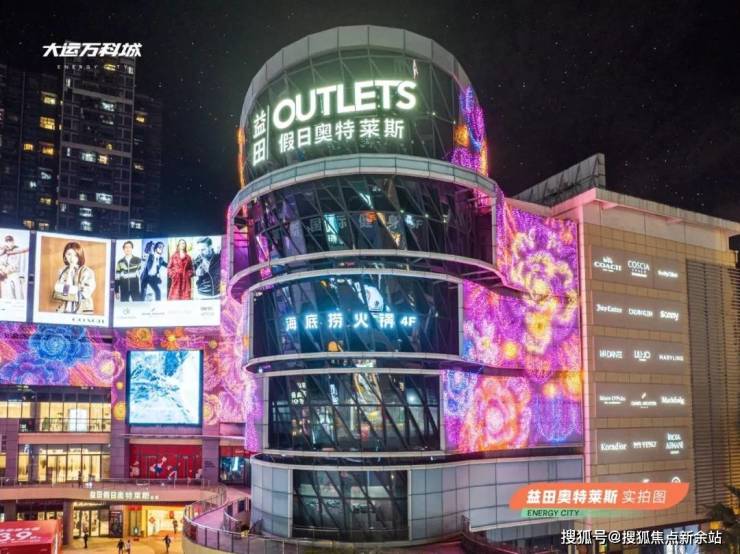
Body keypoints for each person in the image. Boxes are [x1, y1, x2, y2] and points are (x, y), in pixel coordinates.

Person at [52, 242, 96, 313]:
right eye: (69, 254)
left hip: (82, 308)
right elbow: (61, 290)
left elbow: (87, 291)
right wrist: (70, 271)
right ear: (65, 256)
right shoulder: (62, 271)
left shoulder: (86, 271)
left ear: (80, 255)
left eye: (75, 255)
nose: (72, 258)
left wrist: (71, 291)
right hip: (64, 308)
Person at [0, 235, 28, 299]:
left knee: (19, 294)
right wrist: (2, 271)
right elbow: (1, 263)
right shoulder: (4, 252)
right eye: (7, 241)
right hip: (7, 276)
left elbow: (20, 264)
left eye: (10, 241)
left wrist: (22, 276)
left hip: (16, 274)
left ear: (13, 241)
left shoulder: (18, 250)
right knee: (9, 294)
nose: (9, 242)